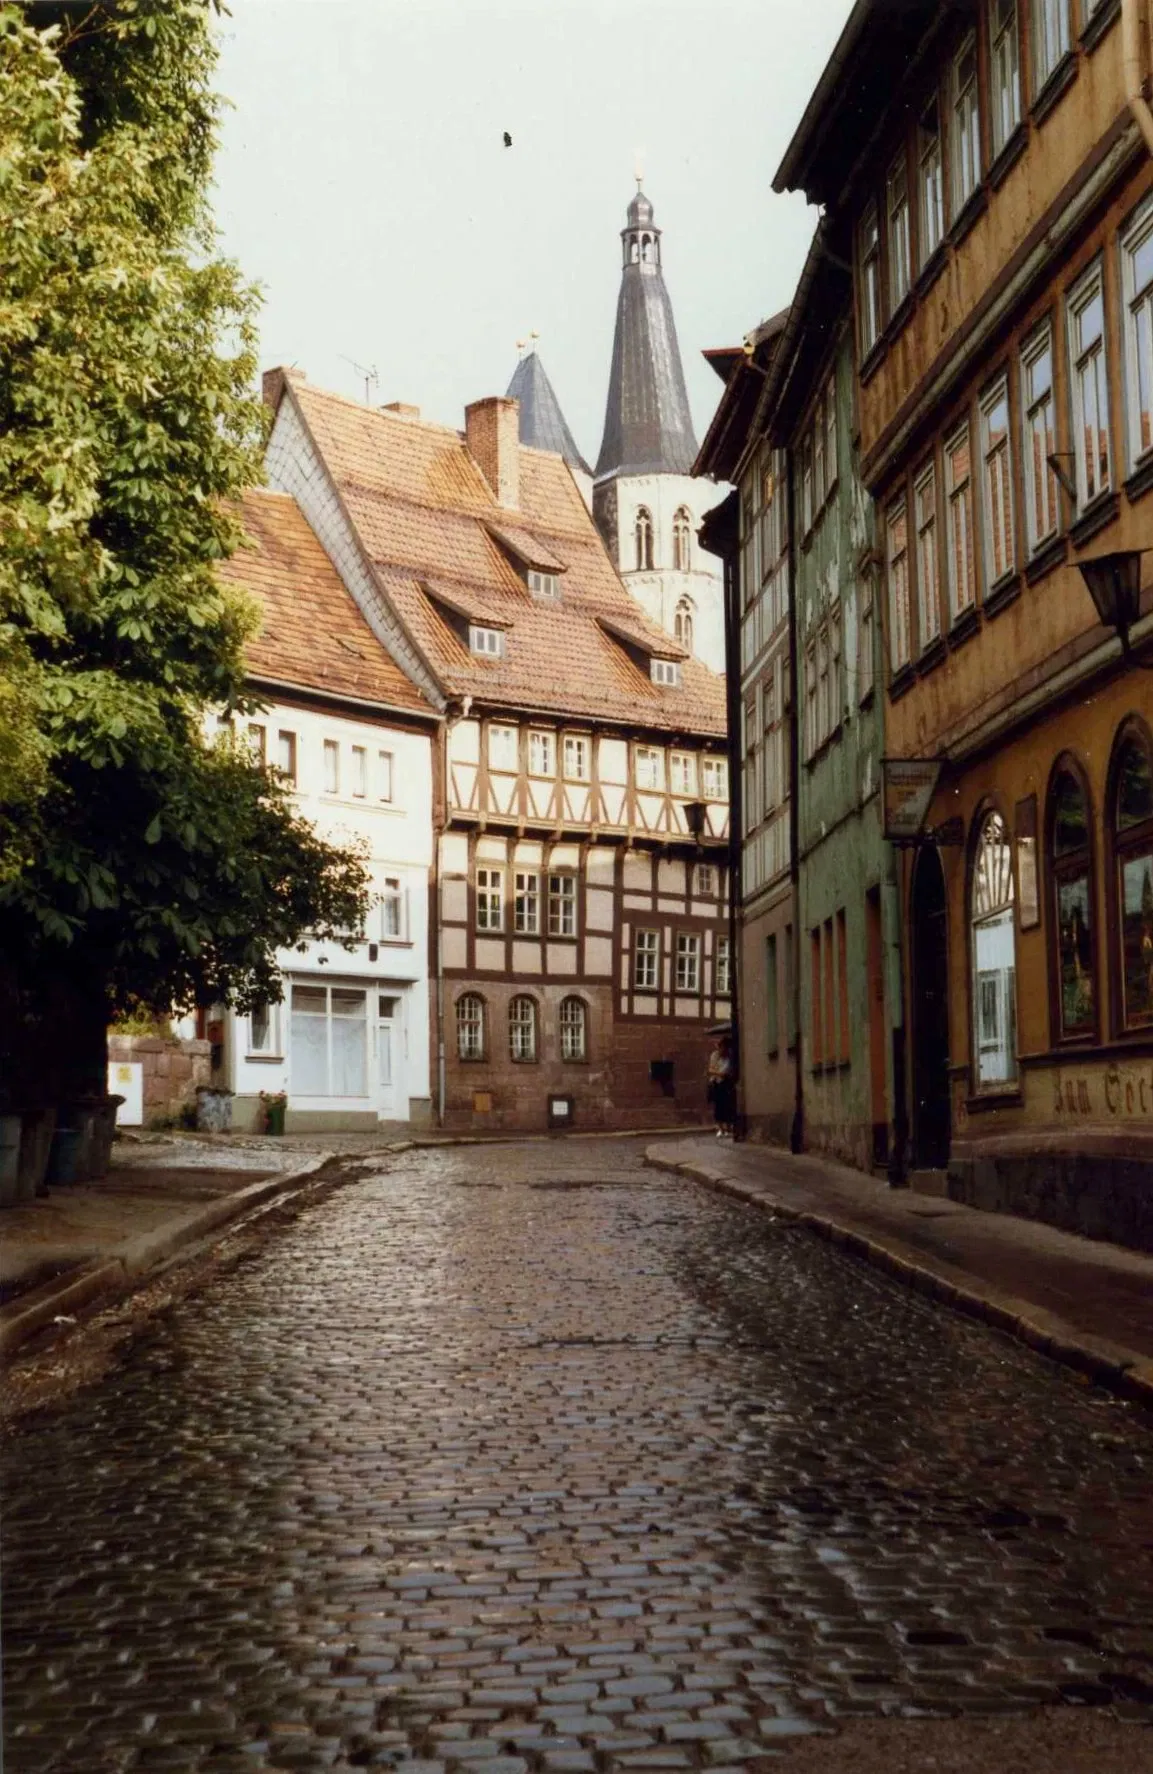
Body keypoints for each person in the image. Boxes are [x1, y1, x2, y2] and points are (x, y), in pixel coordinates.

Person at [706, 1034, 735, 1140]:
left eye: (725, 1047)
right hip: (717, 1083)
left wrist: (724, 1074)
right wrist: (719, 1073)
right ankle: (720, 1128)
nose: (723, 1049)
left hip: (726, 1083)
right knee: (718, 1106)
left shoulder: (730, 1058)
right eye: (721, 1047)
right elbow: (710, 1070)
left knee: (727, 1105)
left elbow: (730, 1071)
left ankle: (727, 1128)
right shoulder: (715, 1055)